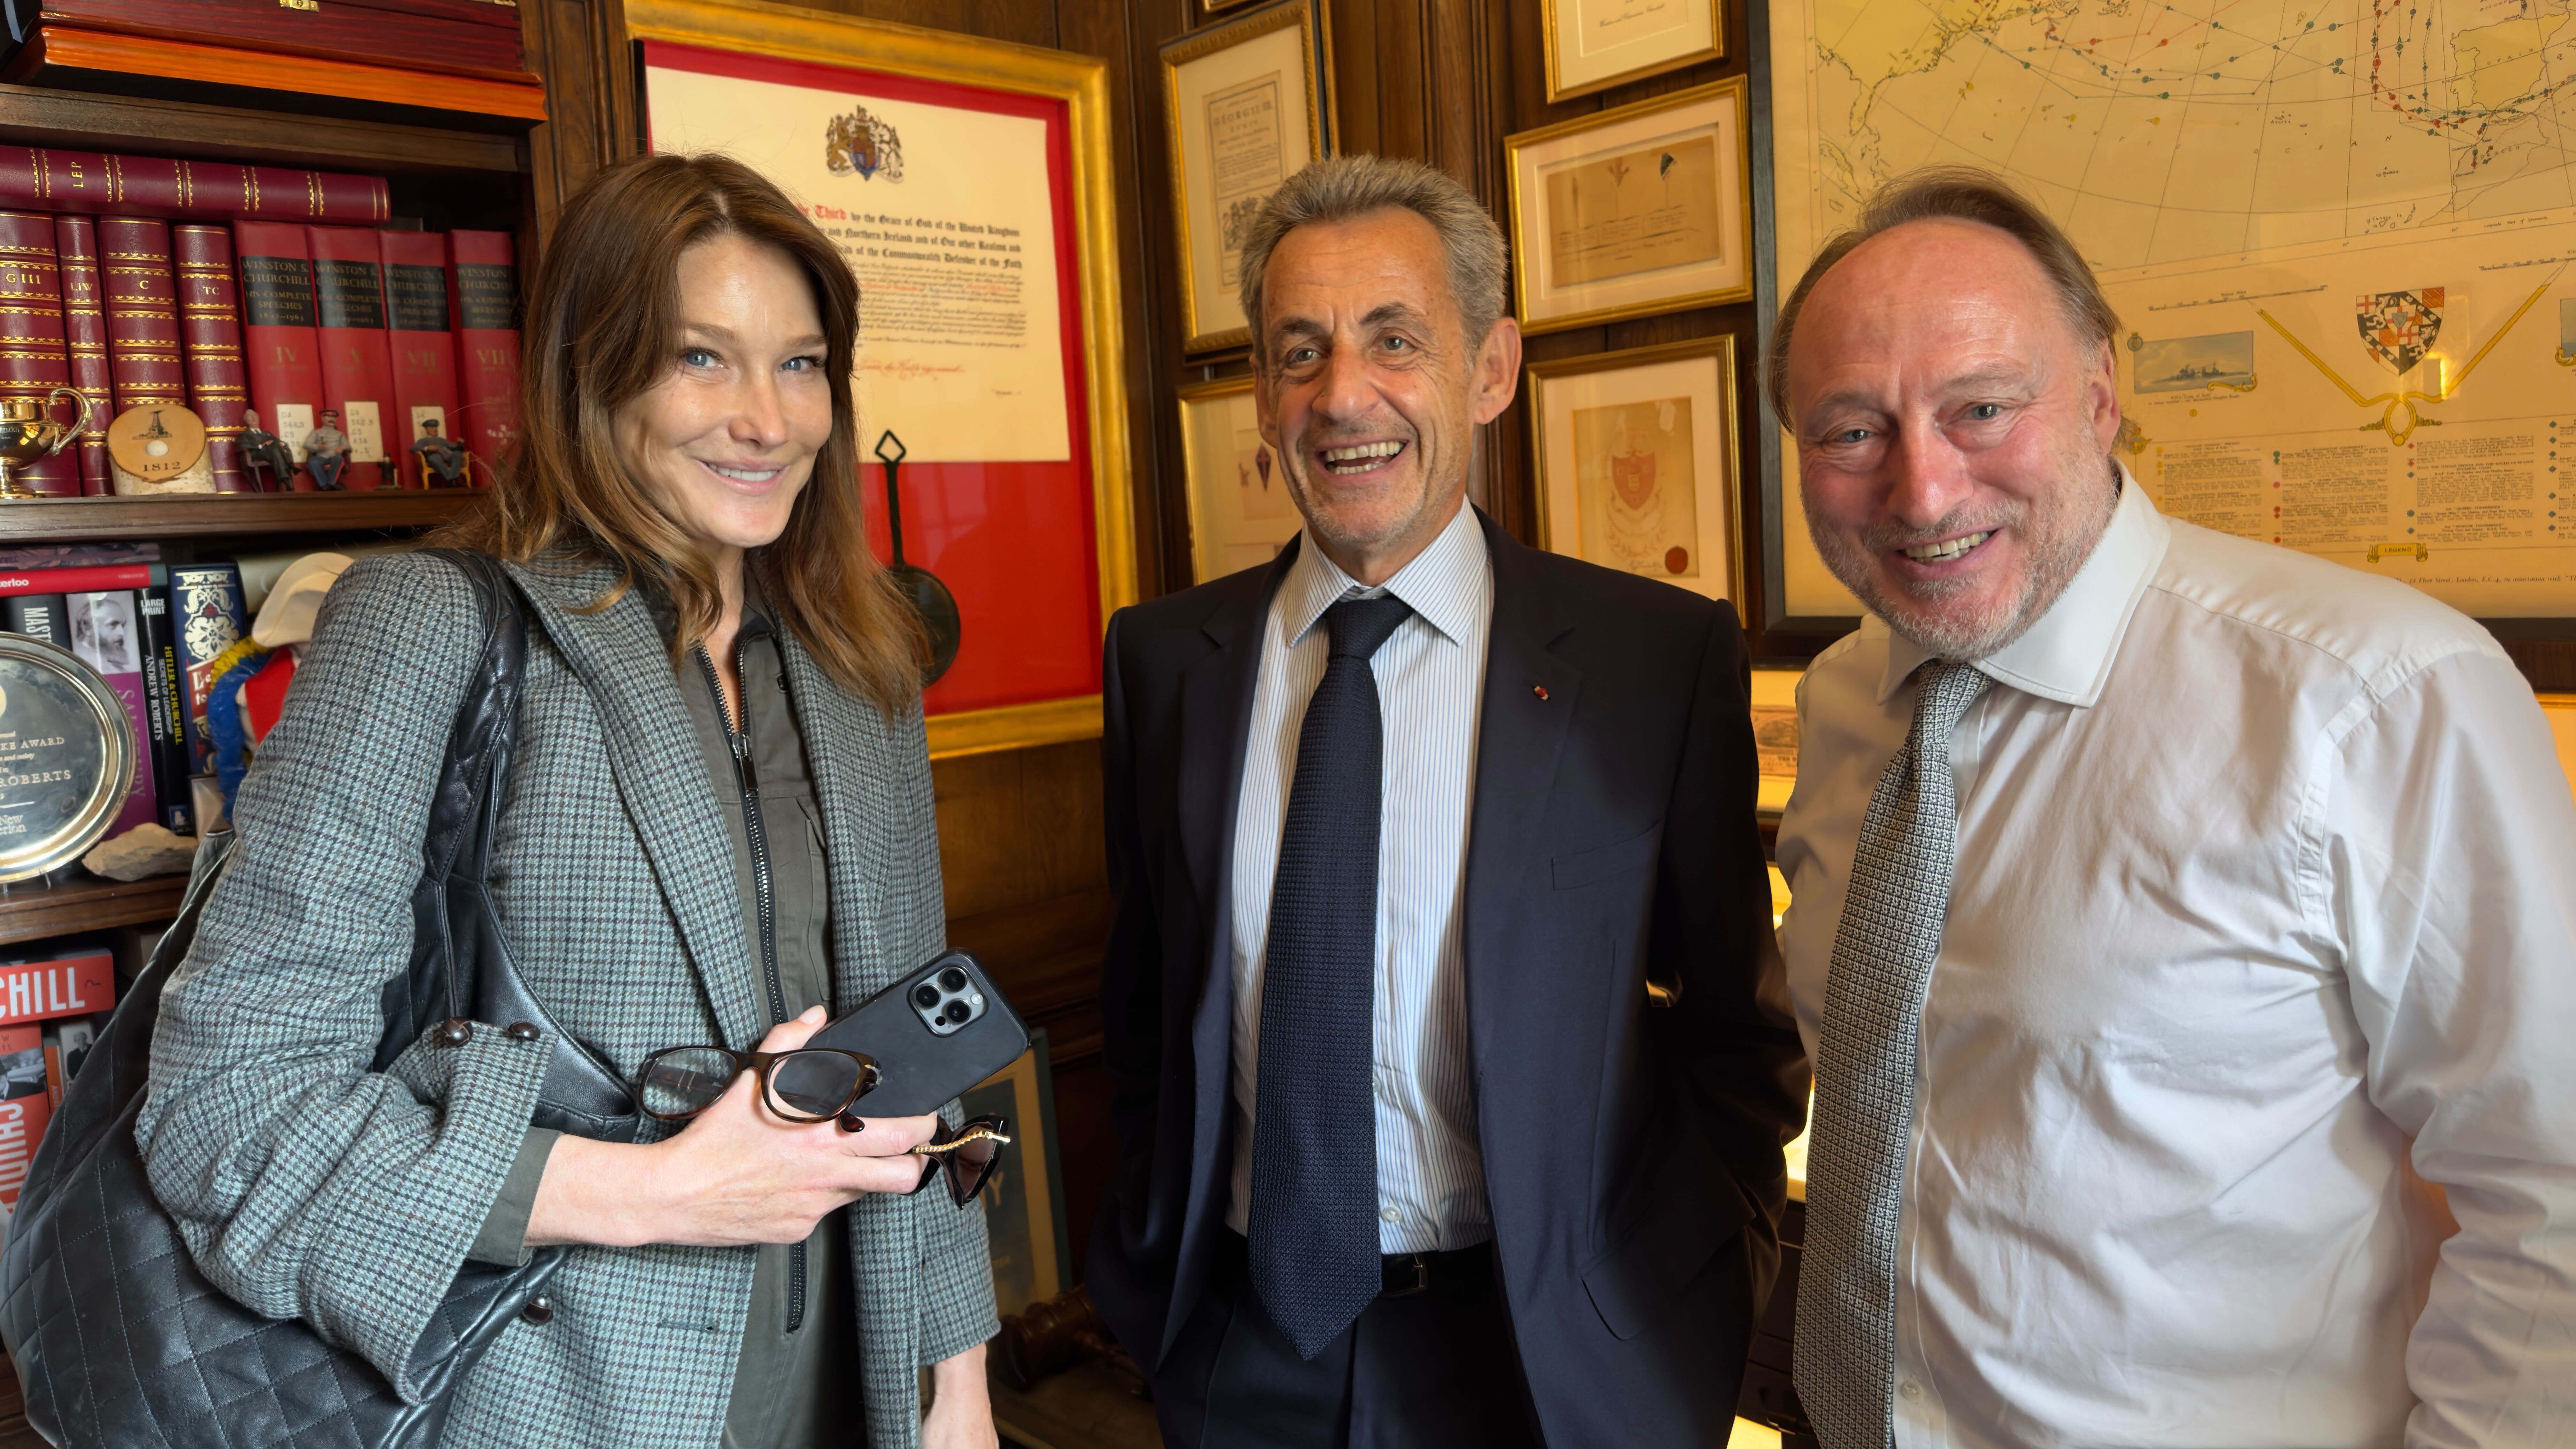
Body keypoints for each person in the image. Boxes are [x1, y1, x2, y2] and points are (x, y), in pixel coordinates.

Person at [138, 153, 1003, 1449]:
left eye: (802, 362)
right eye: (700, 358)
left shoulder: (859, 664)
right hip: (551, 1404)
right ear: (592, 374)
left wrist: (961, 1394)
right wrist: (656, 1190)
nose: (766, 418)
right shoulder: (429, 625)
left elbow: (917, 1067)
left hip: (856, 1394)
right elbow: (227, 1110)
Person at [1770, 167, 2576, 1449]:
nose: (1922, 492)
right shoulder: (1846, 704)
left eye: (1982, 408)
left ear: (2099, 396)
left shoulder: (2372, 698)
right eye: (1852, 430)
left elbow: (2553, 1186)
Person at [1089, 154, 1806, 1448]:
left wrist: (1698, 1299)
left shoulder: (1653, 665)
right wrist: (1158, 1290)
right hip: (1242, 1355)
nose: (1341, 396)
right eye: (1298, 351)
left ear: (1490, 369)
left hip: (1556, 1366)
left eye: (1394, 340)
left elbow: (1739, 1045)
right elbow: (1143, 1017)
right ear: (1262, 388)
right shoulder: (1161, 665)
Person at [237, 407, 298, 491]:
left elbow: (279, 442)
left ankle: (285, 478)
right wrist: (261, 446)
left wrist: (282, 444)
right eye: (250, 416)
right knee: (276, 448)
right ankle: (291, 466)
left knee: (277, 448)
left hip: (272, 453)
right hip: (258, 453)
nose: (254, 418)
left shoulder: (267, 433)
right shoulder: (244, 435)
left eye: (255, 416)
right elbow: (242, 446)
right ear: (246, 420)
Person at [411, 415, 470, 487]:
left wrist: (459, 443)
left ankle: (452, 479)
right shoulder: (423, 441)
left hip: (447, 455)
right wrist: (427, 448)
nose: (434, 430)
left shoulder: (442, 440)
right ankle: (453, 480)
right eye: (432, 428)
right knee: (435, 458)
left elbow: (454, 447)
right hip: (434, 456)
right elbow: (413, 448)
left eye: (436, 428)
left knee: (457, 454)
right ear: (427, 430)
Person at [302, 407, 351, 490]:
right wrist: (318, 447)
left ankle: (331, 484)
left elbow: (348, 446)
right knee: (313, 462)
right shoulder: (316, 433)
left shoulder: (340, 434)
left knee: (338, 459)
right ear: (323, 418)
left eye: (334, 417)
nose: (332, 419)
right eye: (329, 417)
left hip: (335, 456)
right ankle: (324, 485)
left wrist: (342, 447)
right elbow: (306, 445)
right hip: (322, 456)